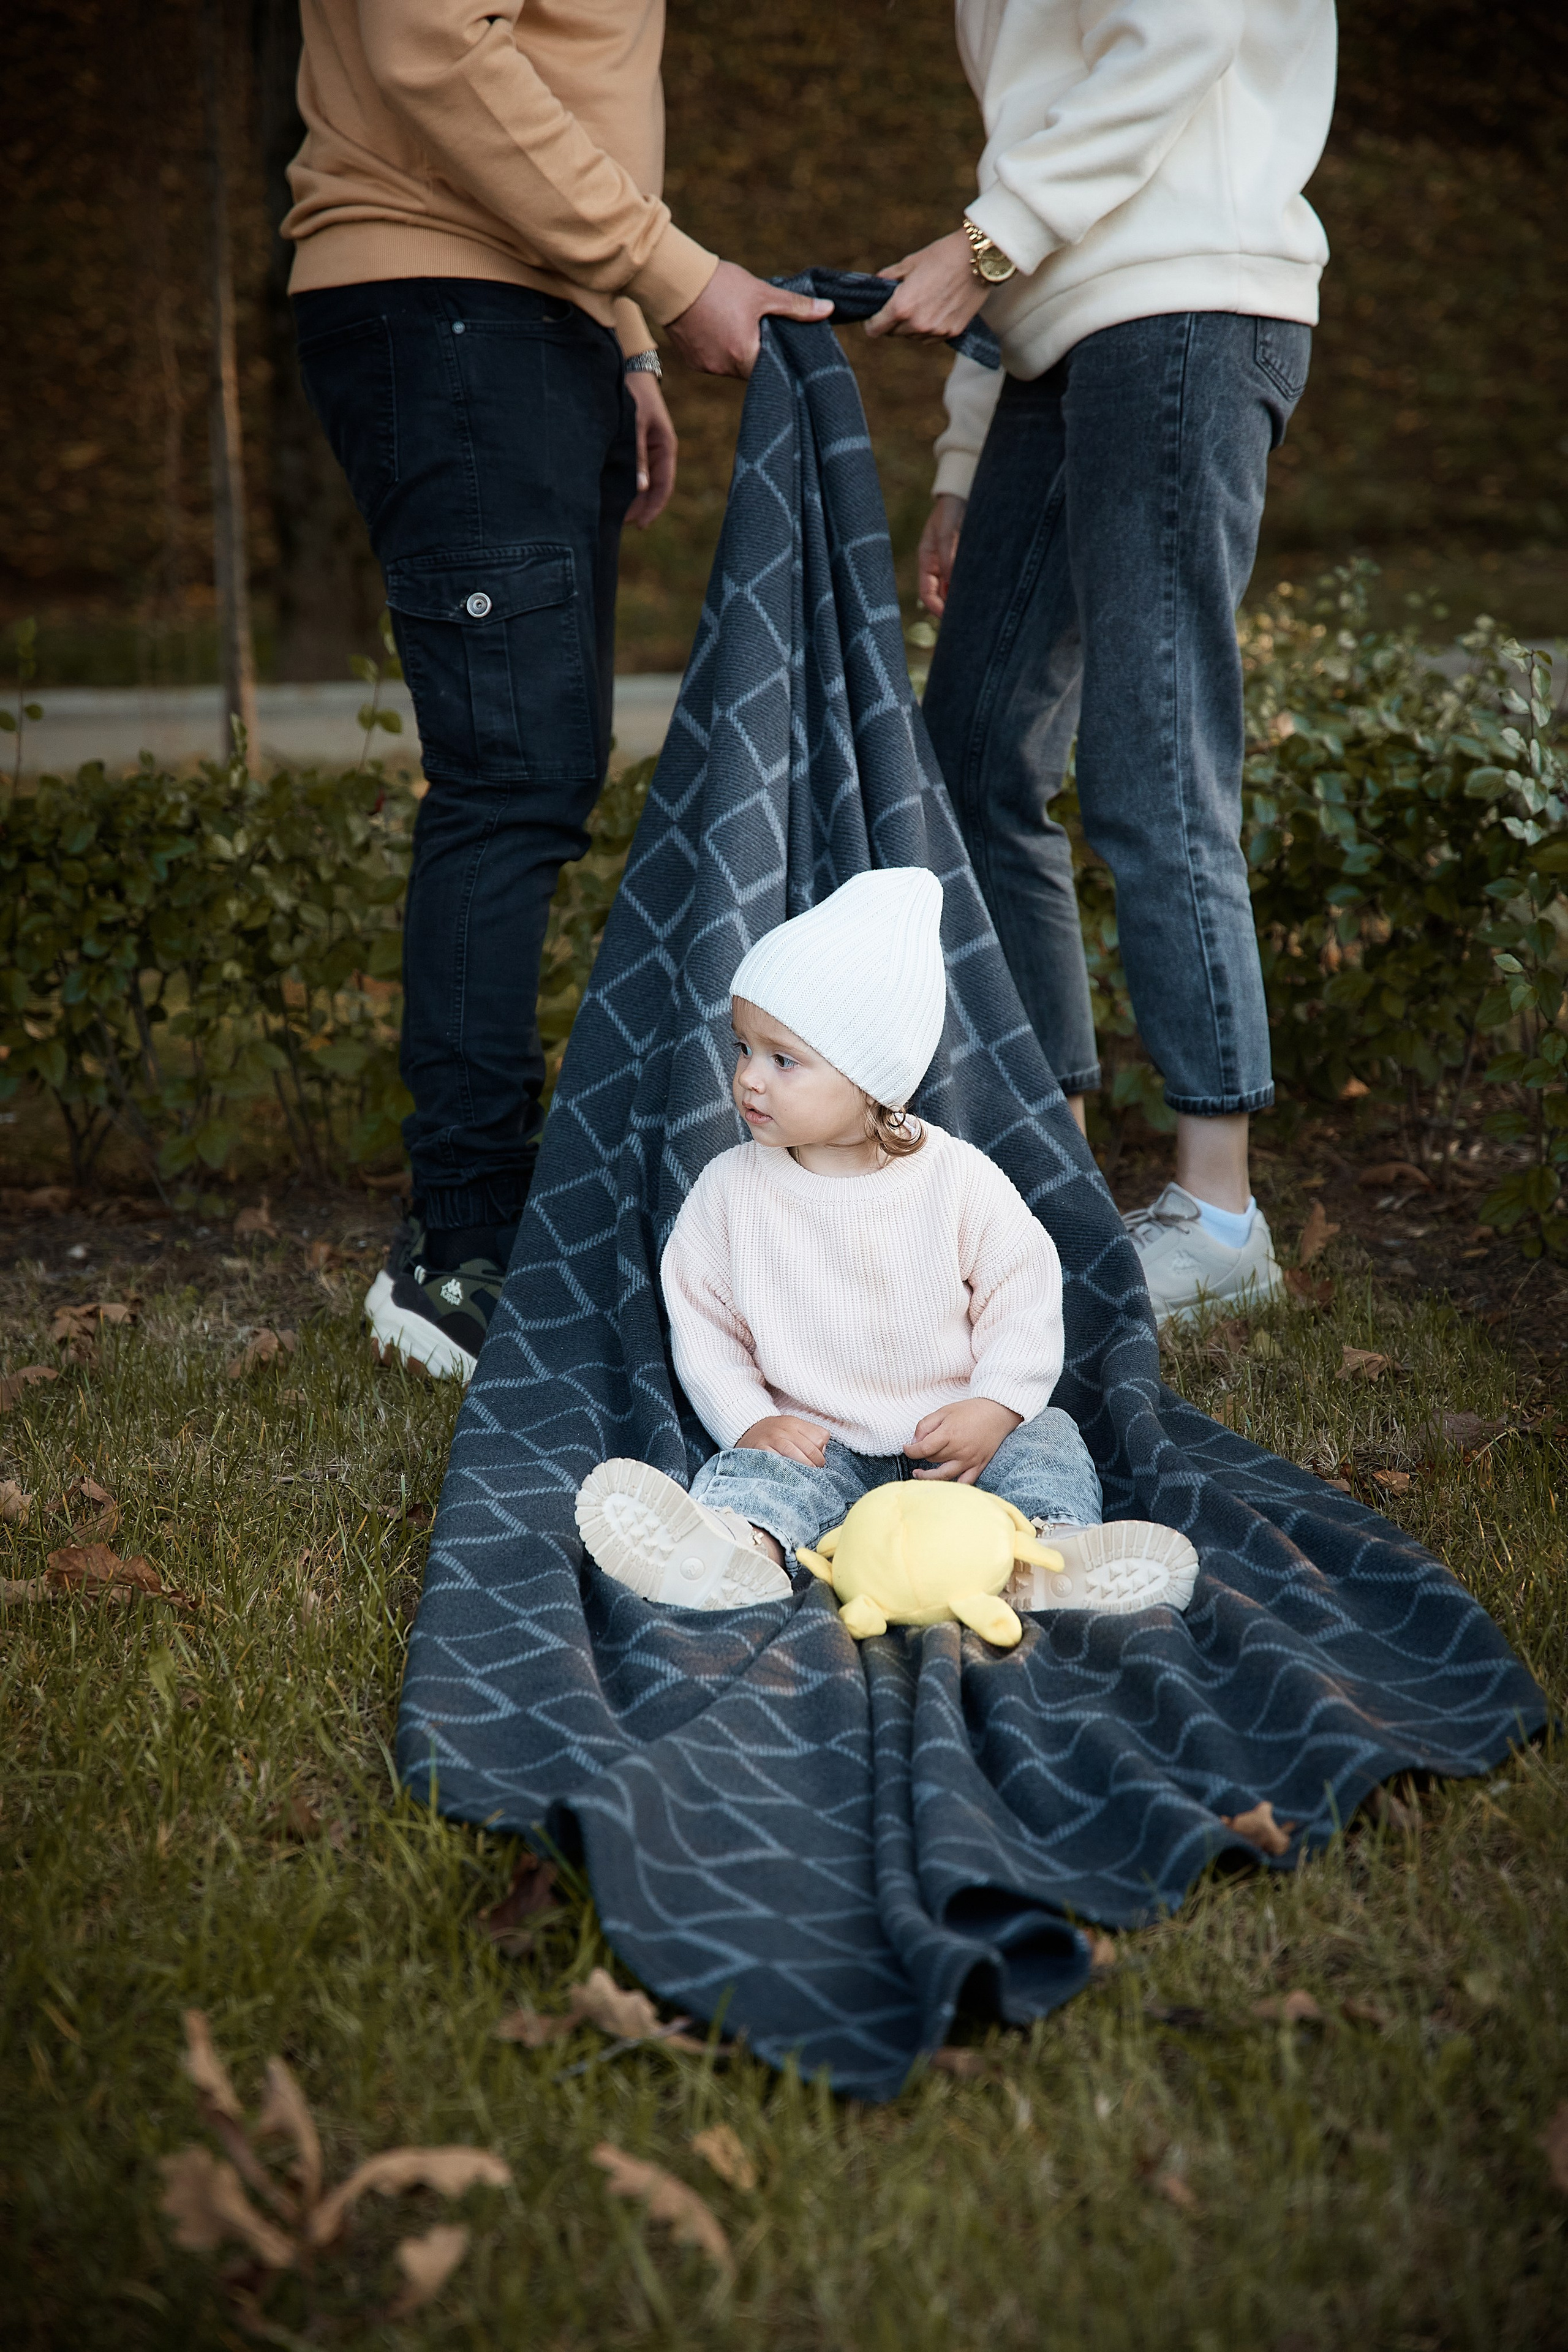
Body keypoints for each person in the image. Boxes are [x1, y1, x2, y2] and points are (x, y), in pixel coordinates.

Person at [281, 0, 834, 1380]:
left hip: (525, 316)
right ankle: (455, 1250)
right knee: (508, 785)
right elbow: (430, 43)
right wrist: (667, 271)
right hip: (452, 303)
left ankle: (487, 1220)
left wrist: (622, 334)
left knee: (537, 776)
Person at [862, 0, 1337, 1321]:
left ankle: (1219, 1210)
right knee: (969, 748)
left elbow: (1175, 39)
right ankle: (1046, 1176)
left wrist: (985, 239)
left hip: (1185, 300)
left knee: (1151, 751)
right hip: (1052, 343)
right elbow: (1033, 142)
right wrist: (963, 455)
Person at [575, 869, 1198, 1617]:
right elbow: (704, 1324)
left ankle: (1048, 1554)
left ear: (872, 1079)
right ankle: (735, 1549)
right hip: (820, 1444)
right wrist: (748, 1419)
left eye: (783, 1060)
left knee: (1048, 1438)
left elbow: (1022, 1292)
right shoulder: (729, 1189)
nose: (748, 1081)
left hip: (956, 1445)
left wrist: (997, 1406)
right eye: (742, 1048)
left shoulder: (958, 1180)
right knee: (758, 1471)